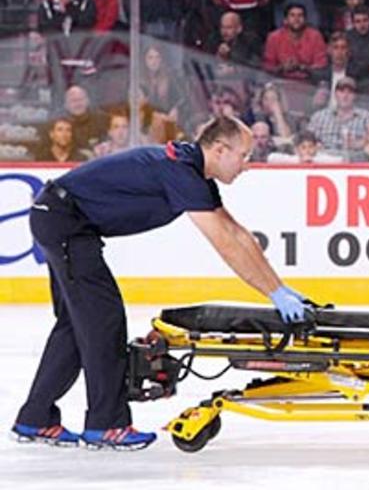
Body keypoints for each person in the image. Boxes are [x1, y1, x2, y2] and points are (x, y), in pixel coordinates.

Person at [12, 117, 308, 450]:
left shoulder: (193, 173)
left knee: (77, 325)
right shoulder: (180, 172)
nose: (247, 165)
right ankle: (106, 425)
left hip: (59, 217)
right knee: (102, 322)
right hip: (65, 221)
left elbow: (237, 234)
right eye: (244, 155)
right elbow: (225, 242)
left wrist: (280, 289)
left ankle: (35, 418)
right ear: (220, 149)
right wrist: (272, 293)